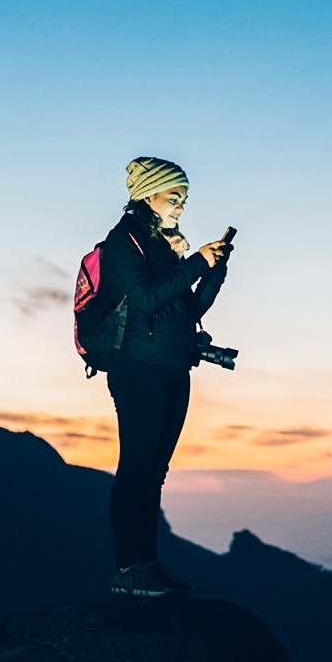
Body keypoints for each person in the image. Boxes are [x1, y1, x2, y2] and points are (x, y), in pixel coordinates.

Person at [98, 156, 230, 597]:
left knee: (155, 470)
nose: (181, 206)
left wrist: (213, 273)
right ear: (148, 194)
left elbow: (186, 311)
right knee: (137, 466)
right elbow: (146, 297)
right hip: (138, 368)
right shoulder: (124, 242)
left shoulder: (162, 244)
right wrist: (193, 262)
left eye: (185, 199)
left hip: (173, 365)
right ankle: (127, 570)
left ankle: (146, 565)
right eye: (175, 196)